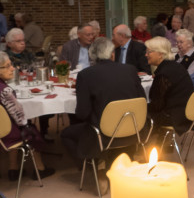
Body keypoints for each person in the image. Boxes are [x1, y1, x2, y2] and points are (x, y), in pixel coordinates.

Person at [60, 38, 146, 163]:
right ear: (112, 54)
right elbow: (142, 99)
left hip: (103, 135)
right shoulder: (130, 70)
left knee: (66, 134)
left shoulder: (86, 75)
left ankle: (90, 165)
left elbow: (82, 113)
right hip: (134, 129)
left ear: (92, 56)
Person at [0, 52, 54, 181]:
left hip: (2, 131)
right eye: (7, 66)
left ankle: (13, 169)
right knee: (30, 129)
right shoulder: (5, 91)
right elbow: (18, 116)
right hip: (7, 134)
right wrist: (26, 124)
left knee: (16, 125)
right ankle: (40, 169)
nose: (13, 68)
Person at [145, 37, 194, 134]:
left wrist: (140, 107)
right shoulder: (176, 66)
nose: (146, 54)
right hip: (186, 112)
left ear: (160, 54)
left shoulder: (164, 74)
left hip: (174, 117)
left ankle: (145, 146)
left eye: (149, 52)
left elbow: (157, 106)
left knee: (137, 115)